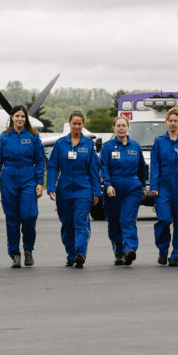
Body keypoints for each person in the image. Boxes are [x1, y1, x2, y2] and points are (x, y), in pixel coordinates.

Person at [0, 105, 46, 268]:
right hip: (8, 178)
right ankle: (14, 253)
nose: (20, 119)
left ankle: (28, 249)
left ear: (26, 119)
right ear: (12, 118)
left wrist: (39, 182)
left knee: (28, 216)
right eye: (17, 116)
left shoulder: (33, 137)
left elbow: (40, 161)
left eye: (23, 116)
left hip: (27, 177)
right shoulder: (4, 137)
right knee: (12, 219)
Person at [46, 110, 102, 268]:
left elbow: (94, 170)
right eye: (74, 123)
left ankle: (80, 253)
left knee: (80, 221)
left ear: (83, 125)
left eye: (80, 124)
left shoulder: (88, 145)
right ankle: (71, 254)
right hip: (64, 189)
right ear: (69, 124)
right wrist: (51, 186)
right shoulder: (60, 144)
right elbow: (53, 167)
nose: (77, 126)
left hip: (84, 188)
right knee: (67, 223)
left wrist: (96, 191)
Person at [100, 116, 148, 266]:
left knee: (127, 219)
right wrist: (107, 184)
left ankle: (130, 249)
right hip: (113, 188)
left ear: (128, 128)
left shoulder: (135, 146)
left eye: (124, 125)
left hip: (132, 187)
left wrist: (142, 186)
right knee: (114, 222)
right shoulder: (107, 147)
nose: (121, 128)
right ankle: (119, 252)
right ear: (114, 128)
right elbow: (104, 167)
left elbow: (142, 167)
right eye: (118, 125)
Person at [150, 107, 178, 266]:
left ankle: (177, 254)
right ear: (166, 122)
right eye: (170, 121)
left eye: (176, 121)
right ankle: (162, 249)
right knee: (164, 218)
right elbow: (154, 165)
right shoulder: (159, 142)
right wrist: (154, 185)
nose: (173, 124)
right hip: (163, 185)